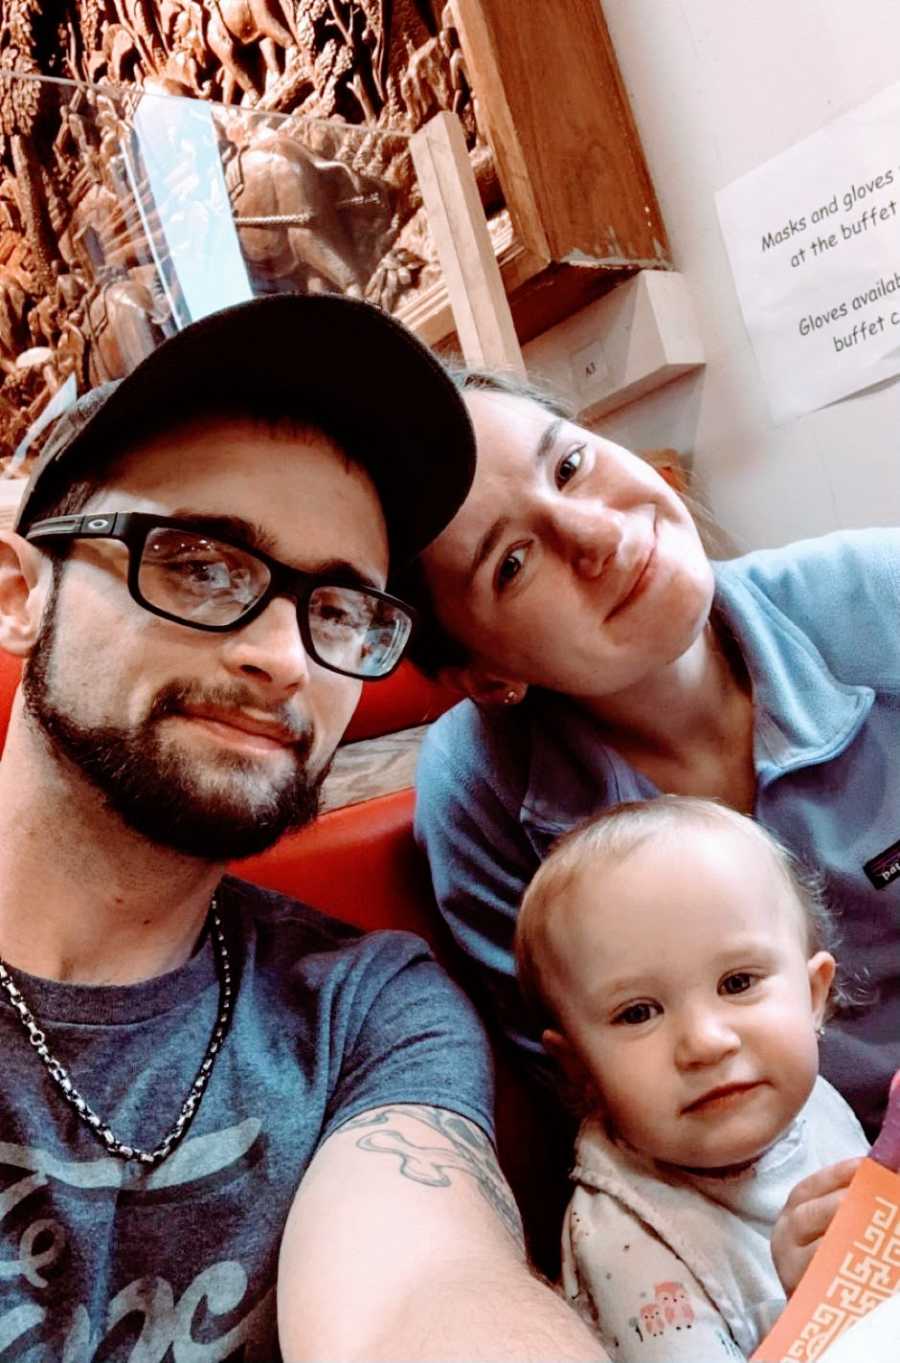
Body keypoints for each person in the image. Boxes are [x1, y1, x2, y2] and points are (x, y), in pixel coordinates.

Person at [0, 298, 606, 1362]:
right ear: (18, 595)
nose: (286, 659)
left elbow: (423, 1289)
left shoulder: (367, 1011)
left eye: (338, 610)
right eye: (200, 562)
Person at [403, 368, 900, 1144]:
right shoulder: (481, 797)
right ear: (487, 675)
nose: (598, 534)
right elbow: (602, 1105)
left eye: (569, 465)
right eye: (512, 562)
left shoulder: (880, 595)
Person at [514, 796, 869, 1360]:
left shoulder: (799, 1098)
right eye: (638, 1012)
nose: (705, 1043)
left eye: (737, 983)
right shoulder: (625, 1241)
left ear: (813, 997)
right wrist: (822, 1318)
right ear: (578, 1066)